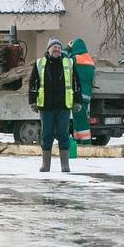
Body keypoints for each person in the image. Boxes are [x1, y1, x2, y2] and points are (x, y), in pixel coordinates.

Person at [29, 38, 82, 173]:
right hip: (46, 106)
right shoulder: (40, 63)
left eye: (59, 47)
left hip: (63, 106)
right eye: (54, 47)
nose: (57, 49)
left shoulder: (69, 63)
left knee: (63, 134)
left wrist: (77, 101)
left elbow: (76, 83)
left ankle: (65, 165)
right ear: (49, 49)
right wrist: (32, 101)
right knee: (46, 134)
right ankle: (45, 165)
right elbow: (33, 84)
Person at [66, 37, 95, 144]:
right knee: (79, 118)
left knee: (81, 119)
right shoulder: (89, 59)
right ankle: (77, 140)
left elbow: (63, 59)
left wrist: (67, 48)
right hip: (87, 93)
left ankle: (86, 142)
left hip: (78, 94)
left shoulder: (75, 58)